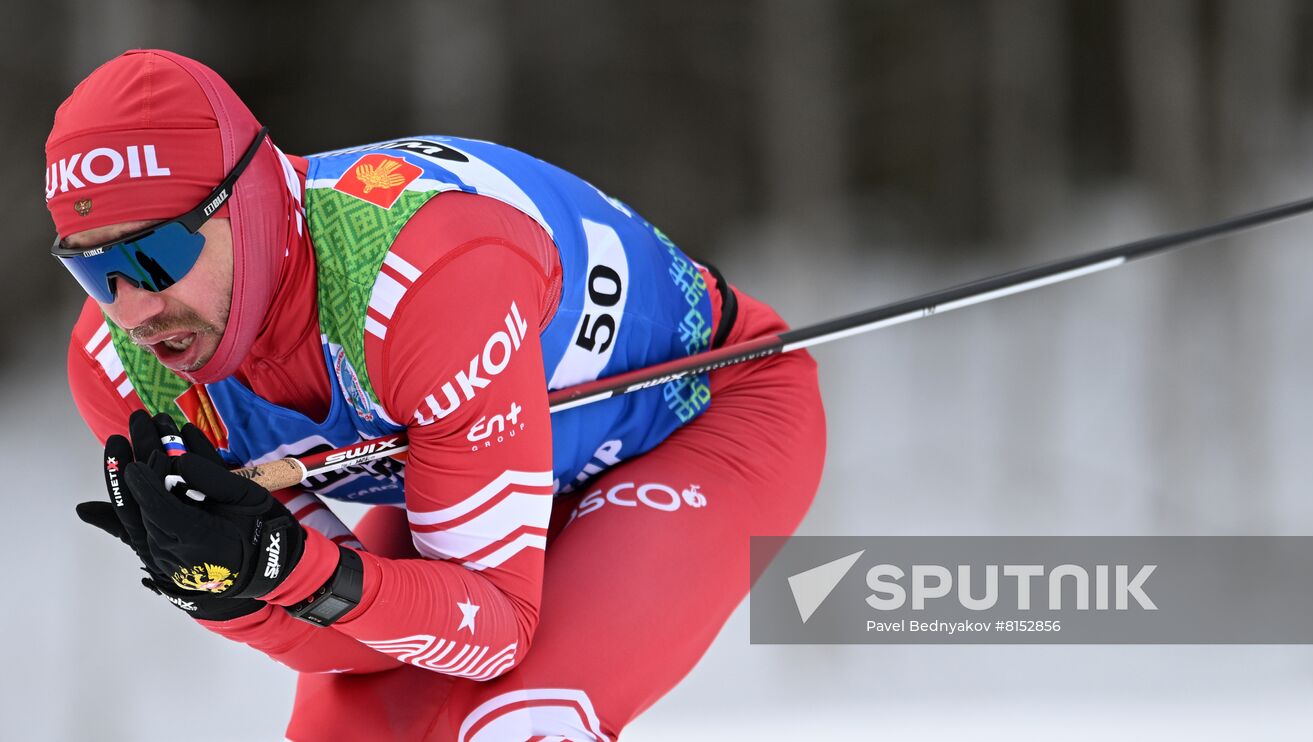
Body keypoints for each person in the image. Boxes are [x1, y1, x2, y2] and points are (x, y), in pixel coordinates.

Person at [48, 49, 826, 740]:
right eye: (92, 270)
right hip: (483, 453)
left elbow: (493, 629)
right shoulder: (123, 371)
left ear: (248, 200)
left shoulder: (419, 277)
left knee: (520, 722)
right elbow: (356, 631)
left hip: (700, 414)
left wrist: (290, 574)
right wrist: (242, 592)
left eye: (157, 254)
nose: (135, 308)